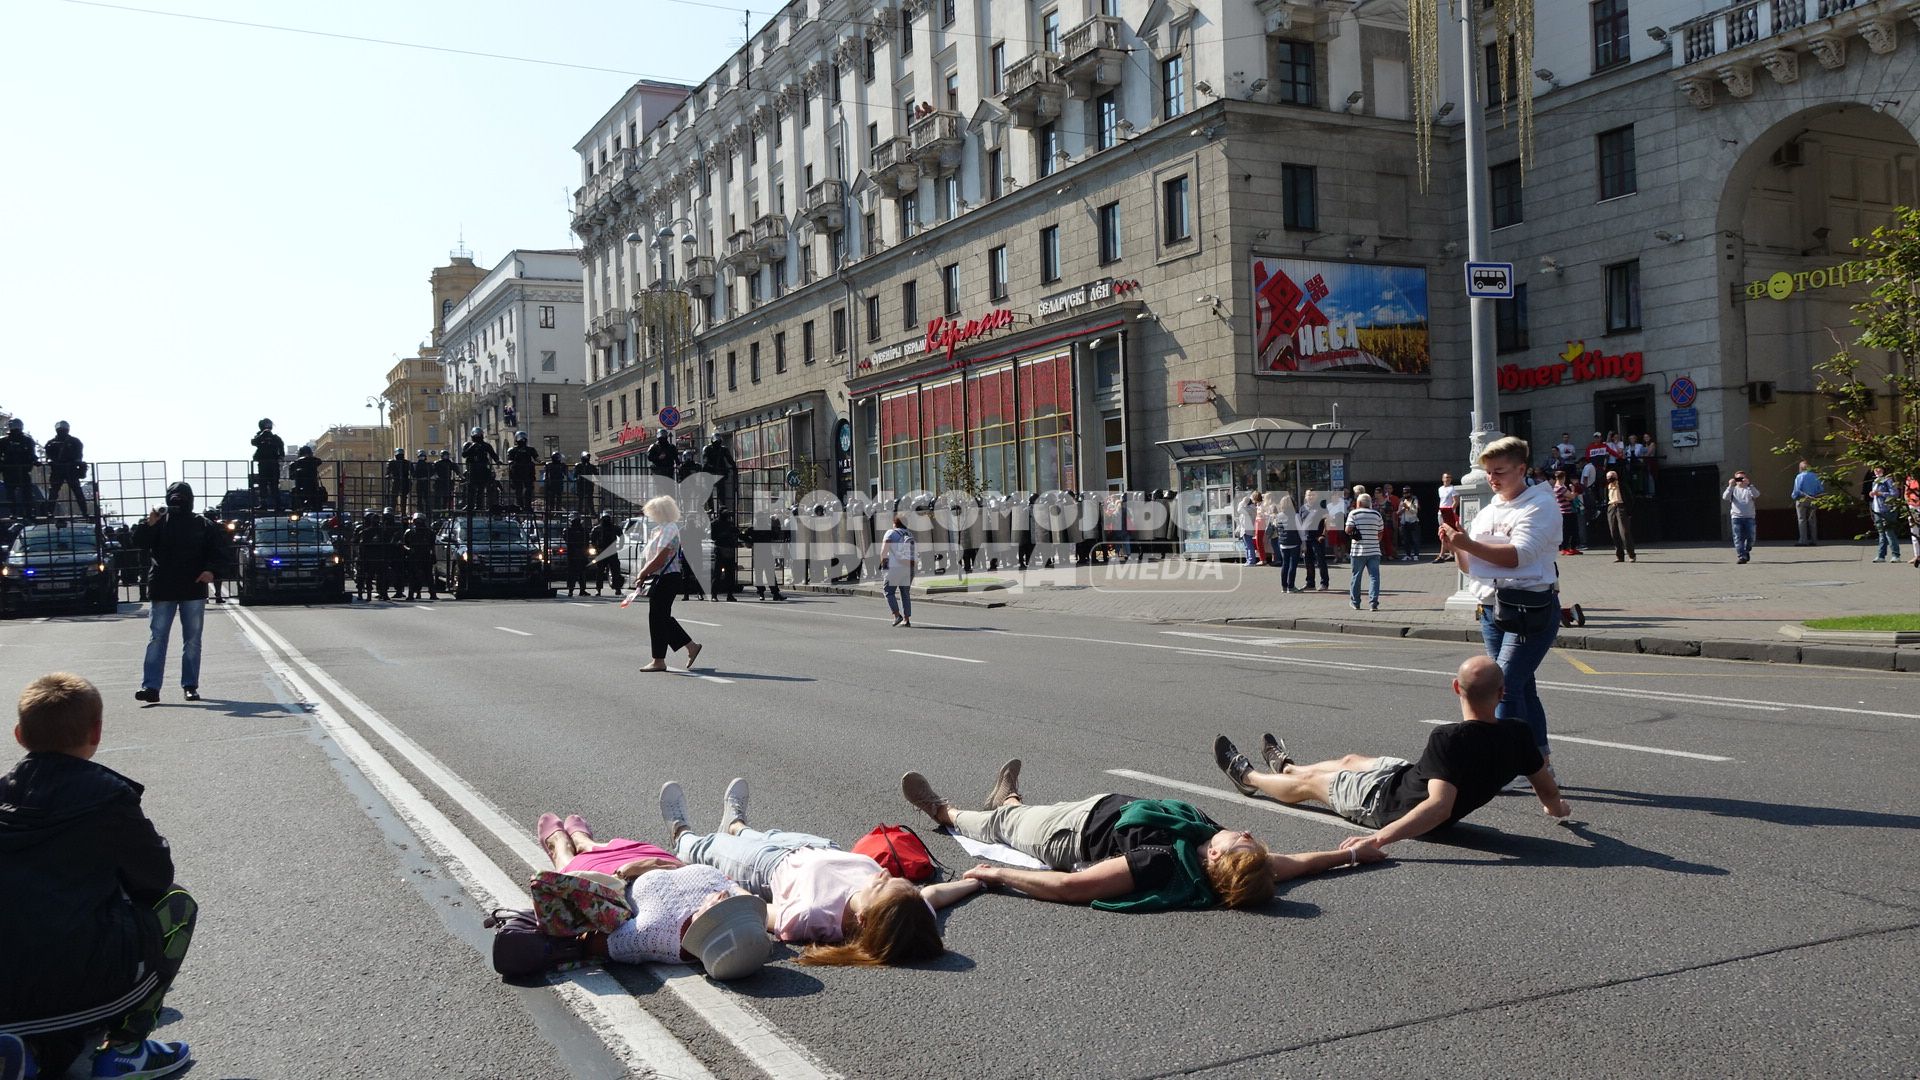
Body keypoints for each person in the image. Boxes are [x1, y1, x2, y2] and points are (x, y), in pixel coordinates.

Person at [0, 674, 197, 1080]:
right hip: (86, 978)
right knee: (177, 904)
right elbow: (155, 877)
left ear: (19, 735)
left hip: (6, 988)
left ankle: (19, 1046)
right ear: (96, 732)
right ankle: (125, 1048)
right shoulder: (108, 797)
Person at [901, 761, 1374, 912]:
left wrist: (998, 872)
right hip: (1097, 808)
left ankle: (943, 809)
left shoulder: (1164, 862)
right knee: (1017, 814)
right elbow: (1299, 863)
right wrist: (1350, 855)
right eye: (1251, 839)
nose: (1247, 832)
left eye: (1241, 841)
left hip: (1068, 835)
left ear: (1214, 860)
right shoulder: (1241, 862)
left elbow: (1075, 888)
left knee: (999, 829)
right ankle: (1009, 799)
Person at [1211, 656, 1569, 850]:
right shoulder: (1519, 732)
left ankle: (1250, 777)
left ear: (1455, 688)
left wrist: (1378, 838)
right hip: (1406, 777)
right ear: (1503, 693)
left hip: (1387, 804)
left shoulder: (1449, 738)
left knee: (1316, 785)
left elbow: (1440, 806)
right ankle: (1287, 766)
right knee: (1351, 760)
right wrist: (1557, 809)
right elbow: (1546, 787)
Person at [664, 778, 979, 965]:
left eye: (883, 886)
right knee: (749, 834)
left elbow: (759, 911)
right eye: (900, 882)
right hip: (814, 846)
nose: (884, 875)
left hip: (763, 867)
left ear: (864, 919)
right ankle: (736, 824)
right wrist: (976, 881)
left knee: (709, 849)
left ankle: (681, 834)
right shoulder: (904, 909)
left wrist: (727, 891)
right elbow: (932, 895)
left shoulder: (811, 916)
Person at [1437, 436, 1561, 764]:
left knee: (1500, 685)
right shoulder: (1490, 509)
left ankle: (1503, 763)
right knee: (1521, 687)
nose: (1492, 478)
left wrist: (1468, 543)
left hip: (1529, 608)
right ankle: (1539, 762)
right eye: (1489, 472)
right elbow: (1471, 568)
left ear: (1521, 469)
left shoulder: (1540, 504)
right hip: (1493, 608)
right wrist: (1457, 546)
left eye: (1500, 471)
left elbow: (1519, 556)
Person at [534, 811, 768, 981]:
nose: (724, 896)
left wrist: (627, 873)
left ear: (705, 932)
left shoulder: (654, 935)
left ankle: (561, 850)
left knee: (575, 867)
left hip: (614, 875)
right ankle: (585, 841)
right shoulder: (743, 924)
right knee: (601, 845)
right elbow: (759, 908)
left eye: (722, 910)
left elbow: (593, 944)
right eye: (734, 906)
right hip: (657, 859)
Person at [130, 484, 226, 704]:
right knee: (157, 638)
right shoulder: (158, 521)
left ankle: (190, 686)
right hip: (163, 588)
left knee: (192, 640)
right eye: (173, 499)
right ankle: (151, 687)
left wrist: (211, 570)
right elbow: (138, 542)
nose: (177, 503)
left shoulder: (202, 523)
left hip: (193, 588)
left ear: (190, 500)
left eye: (182, 499)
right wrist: (149, 522)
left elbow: (218, 551)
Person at [635, 496, 700, 672]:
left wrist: (643, 573)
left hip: (667, 577)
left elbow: (660, 557)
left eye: (653, 512)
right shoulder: (657, 530)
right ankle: (690, 646)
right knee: (660, 617)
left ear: (661, 512)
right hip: (659, 577)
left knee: (657, 618)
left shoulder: (670, 529)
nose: (651, 515)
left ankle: (659, 660)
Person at [1345, 492, 1384, 611]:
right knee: (1374, 577)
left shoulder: (1354, 513)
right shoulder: (1377, 514)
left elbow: (1348, 529)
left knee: (1356, 576)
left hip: (1358, 551)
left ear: (1359, 503)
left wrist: (1355, 533)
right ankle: (1373, 603)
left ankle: (1356, 602)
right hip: (1374, 550)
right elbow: (1381, 532)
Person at [43, 420, 88, 519]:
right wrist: (51, 461)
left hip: (70, 469)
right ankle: (49, 512)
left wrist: (75, 462)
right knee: (54, 492)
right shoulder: (51, 443)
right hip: (58, 470)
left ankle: (84, 511)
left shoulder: (74, 442)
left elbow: (79, 456)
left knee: (76, 491)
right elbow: (48, 456)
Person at [880, 513, 915, 626]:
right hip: (908, 567)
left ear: (895, 523)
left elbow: (884, 552)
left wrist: (884, 567)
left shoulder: (890, 533)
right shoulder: (909, 534)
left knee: (888, 591)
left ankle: (896, 615)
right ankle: (906, 619)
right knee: (905, 593)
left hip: (894, 568)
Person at [1, 418, 38, 519]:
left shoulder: (5, 441)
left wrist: (34, 460)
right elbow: (32, 455)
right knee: (20, 494)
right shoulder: (5, 441)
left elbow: (32, 455)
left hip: (17, 471)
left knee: (21, 493)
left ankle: (22, 513)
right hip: (14, 471)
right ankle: (24, 513)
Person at [1724, 471, 1762, 564]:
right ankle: (1742, 556)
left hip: (1749, 517)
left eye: (1742, 478)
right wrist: (1730, 486)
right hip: (1736, 517)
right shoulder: (1733, 489)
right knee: (1738, 538)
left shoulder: (1749, 489)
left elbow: (1757, 494)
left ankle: (1747, 550)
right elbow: (1725, 497)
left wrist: (1750, 485)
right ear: (1735, 480)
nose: (1740, 481)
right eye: (1738, 479)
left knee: (1751, 537)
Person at [460, 428, 501, 510]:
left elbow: (493, 454)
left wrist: (497, 461)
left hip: (483, 469)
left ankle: (479, 506)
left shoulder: (486, 445)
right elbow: (464, 454)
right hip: (472, 469)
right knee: (471, 488)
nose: (478, 437)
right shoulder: (468, 445)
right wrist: (472, 446)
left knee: (481, 489)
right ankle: (470, 505)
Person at [1866, 466, 1901, 563]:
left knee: (1889, 532)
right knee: (1881, 533)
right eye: (1875, 469)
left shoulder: (1888, 480)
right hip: (1877, 510)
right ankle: (1881, 556)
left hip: (1887, 510)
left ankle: (1896, 555)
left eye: (1879, 469)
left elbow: (1894, 494)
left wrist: (1880, 493)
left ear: (1884, 470)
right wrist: (1872, 494)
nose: (1876, 471)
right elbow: (1876, 495)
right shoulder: (1875, 481)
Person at [250, 418, 284, 511]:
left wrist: (280, 456)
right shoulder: (260, 436)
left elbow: (281, 448)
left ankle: (278, 504)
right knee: (263, 485)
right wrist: (262, 435)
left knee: (274, 485)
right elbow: (253, 442)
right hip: (263, 463)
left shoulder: (275, 438)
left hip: (273, 464)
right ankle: (263, 504)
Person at [400, 513, 436, 600]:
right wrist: (408, 549)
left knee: (429, 576)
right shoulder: (409, 532)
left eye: (420, 521)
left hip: (425, 556)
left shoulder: (429, 532)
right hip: (414, 556)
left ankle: (432, 594)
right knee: (412, 576)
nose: (418, 523)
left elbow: (432, 545)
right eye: (416, 521)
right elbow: (404, 544)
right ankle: (411, 594)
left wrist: (433, 555)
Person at [708, 508, 741, 601]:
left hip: (729, 550)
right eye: (724, 512)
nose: (726, 514)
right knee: (717, 574)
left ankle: (730, 595)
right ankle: (714, 595)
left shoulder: (730, 524)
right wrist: (722, 535)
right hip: (720, 549)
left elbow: (737, 532)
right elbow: (711, 536)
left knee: (730, 574)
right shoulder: (714, 523)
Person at [1604, 470, 1636, 563]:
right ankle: (1620, 556)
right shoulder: (1607, 487)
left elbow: (1630, 498)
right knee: (1613, 532)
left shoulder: (1622, 485)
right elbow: (1606, 498)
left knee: (1624, 532)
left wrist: (1629, 512)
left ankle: (1631, 554)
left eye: (1612, 477)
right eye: (1609, 477)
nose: (1611, 479)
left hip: (1621, 506)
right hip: (1611, 507)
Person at [589, 511, 623, 596]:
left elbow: (621, 537)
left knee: (615, 571)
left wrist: (620, 546)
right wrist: (597, 548)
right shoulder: (597, 528)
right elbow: (592, 540)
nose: (606, 520)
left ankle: (617, 588)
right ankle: (599, 589)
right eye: (605, 519)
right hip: (602, 552)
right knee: (600, 572)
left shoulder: (614, 528)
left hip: (611, 552)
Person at [1791, 460, 1823, 546]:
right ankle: (1814, 540)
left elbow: (1797, 490)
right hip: (1813, 498)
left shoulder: (1800, 476)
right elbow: (1821, 489)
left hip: (1802, 499)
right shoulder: (1815, 476)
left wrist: (1794, 497)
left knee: (1802, 520)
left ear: (1801, 468)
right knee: (1812, 520)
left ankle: (1803, 540)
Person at [1272, 495, 1301, 591]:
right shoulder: (1296, 515)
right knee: (1293, 565)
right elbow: (1301, 530)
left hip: (1283, 543)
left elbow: (1277, 528)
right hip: (1294, 542)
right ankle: (1291, 586)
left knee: (1285, 564)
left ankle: (1284, 586)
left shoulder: (1278, 516)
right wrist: (1303, 541)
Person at [505, 432, 539, 512]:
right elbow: (510, 459)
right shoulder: (513, 450)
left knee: (528, 490)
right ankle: (520, 505)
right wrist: (511, 463)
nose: (522, 440)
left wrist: (541, 461)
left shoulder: (530, 449)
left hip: (528, 472)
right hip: (517, 472)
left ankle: (527, 505)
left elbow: (536, 458)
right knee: (518, 490)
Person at [1552, 470, 1580, 556]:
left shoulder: (1558, 487)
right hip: (1565, 512)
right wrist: (1573, 490)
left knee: (1574, 530)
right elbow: (1571, 496)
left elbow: (1569, 497)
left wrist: (1570, 497)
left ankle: (1572, 547)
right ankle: (1564, 548)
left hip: (1569, 511)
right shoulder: (1560, 488)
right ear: (1563, 478)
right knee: (1566, 531)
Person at [562, 514, 591, 597]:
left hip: (575, 554)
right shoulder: (572, 530)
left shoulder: (570, 530)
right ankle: (577, 590)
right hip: (578, 554)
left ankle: (573, 590)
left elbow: (587, 541)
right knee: (579, 573)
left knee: (575, 573)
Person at [287, 445, 322, 512]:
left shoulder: (295, 463)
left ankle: (297, 507)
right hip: (310, 486)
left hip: (304, 487)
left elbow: (291, 477)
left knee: (295, 493)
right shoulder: (313, 461)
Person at [1233, 491, 1263, 566]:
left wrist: (1242, 502)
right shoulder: (1251, 508)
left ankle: (1251, 561)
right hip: (1246, 528)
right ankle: (1248, 560)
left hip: (1247, 529)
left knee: (1249, 546)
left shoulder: (1249, 509)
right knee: (1247, 546)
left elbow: (1239, 509)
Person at [1433, 472, 1458, 562]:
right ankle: (1451, 554)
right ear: (1442, 479)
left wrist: (1450, 511)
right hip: (1440, 513)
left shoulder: (1453, 488)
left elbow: (1456, 501)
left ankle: (1442, 555)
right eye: (1446, 477)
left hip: (1448, 512)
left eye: (1449, 477)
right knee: (1443, 533)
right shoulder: (1440, 489)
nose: (1448, 479)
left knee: (1446, 533)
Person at [1396, 486, 1421, 562]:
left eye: (1407, 493)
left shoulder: (1414, 500)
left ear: (1410, 493)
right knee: (1405, 540)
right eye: (1404, 493)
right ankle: (1408, 555)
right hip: (1404, 522)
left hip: (1413, 522)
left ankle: (1416, 555)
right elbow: (1398, 512)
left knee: (1415, 539)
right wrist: (1402, 510)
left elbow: (1415, 511)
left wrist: (1407, 507)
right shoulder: (1402, 501)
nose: (1405, 494)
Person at [385, 448, 413, 516]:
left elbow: (412, 472)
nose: (400, 456)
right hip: (396, 481)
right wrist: (388, 475)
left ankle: (403, 512)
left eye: (401, 455)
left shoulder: (407, 463)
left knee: (403, 498)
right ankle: (392, 511)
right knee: (394, 497)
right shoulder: (392, 462)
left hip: (405, 481)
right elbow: (387, 472)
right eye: (399, 455)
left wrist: (412, 478)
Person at [541, 451, 569, 515]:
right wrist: (545, 481)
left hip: (558, 483)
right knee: (552, 498)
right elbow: (545, 474)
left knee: (558, 497)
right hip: (552, 484)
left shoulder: (562, 465)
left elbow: (566, 474)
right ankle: (552, 510)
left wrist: (571, 479)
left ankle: (557, 510)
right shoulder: (549, 465)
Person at [432, 449, 457, 516]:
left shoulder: (450, 463)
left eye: (447, 455)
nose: (446, 457)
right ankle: (437, 513)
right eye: (445, 455)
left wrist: (461, 476)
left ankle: (444, 513)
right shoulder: (437, 463)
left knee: (446, 498)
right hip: (439, 482)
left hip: (447, 482)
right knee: (438, 498)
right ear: (442, 456)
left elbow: (456, 470)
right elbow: (433, 471)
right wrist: (435, 476)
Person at [573, 451, 599, 515]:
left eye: (588, 457)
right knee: (580, 500)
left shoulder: (591, 466)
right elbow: (574, 476)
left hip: (589, 485)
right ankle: (580, 511)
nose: (587, 459)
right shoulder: (579, 466)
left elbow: (597, 475)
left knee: (590, 499)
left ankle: (592, 511)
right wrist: (577, 479)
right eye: (586, 457)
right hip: (581, 485)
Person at [411, 450, 434, 517]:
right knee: (419, 498)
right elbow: (413, 474)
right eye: (420, 456)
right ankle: (420, 512)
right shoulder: (416, 465)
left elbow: (432, 472)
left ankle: (428, 512)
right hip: (419, 482)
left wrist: (428, 477)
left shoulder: (428, 465)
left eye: (423, 456)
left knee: (427, 498)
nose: (422, 457)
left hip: (426, 482)